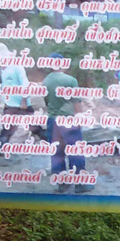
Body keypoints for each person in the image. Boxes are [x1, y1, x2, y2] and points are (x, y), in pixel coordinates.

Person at [42, 53, 92, 193]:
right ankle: (80, 183)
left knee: (57, 153)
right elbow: (76, 102)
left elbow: (46, 102)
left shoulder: (46, 81)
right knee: (75, 151)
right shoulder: (70, 80)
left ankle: (62, 183)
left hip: (53, 120)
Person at [0, 43, 45, 150]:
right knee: (7, 128)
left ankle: (53, 143)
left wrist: (24, 99)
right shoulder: (3, 68)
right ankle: (0, 148)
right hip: (9, 104)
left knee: (35, 128)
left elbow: (25, 83)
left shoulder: (17, 67)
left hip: (21, 104)